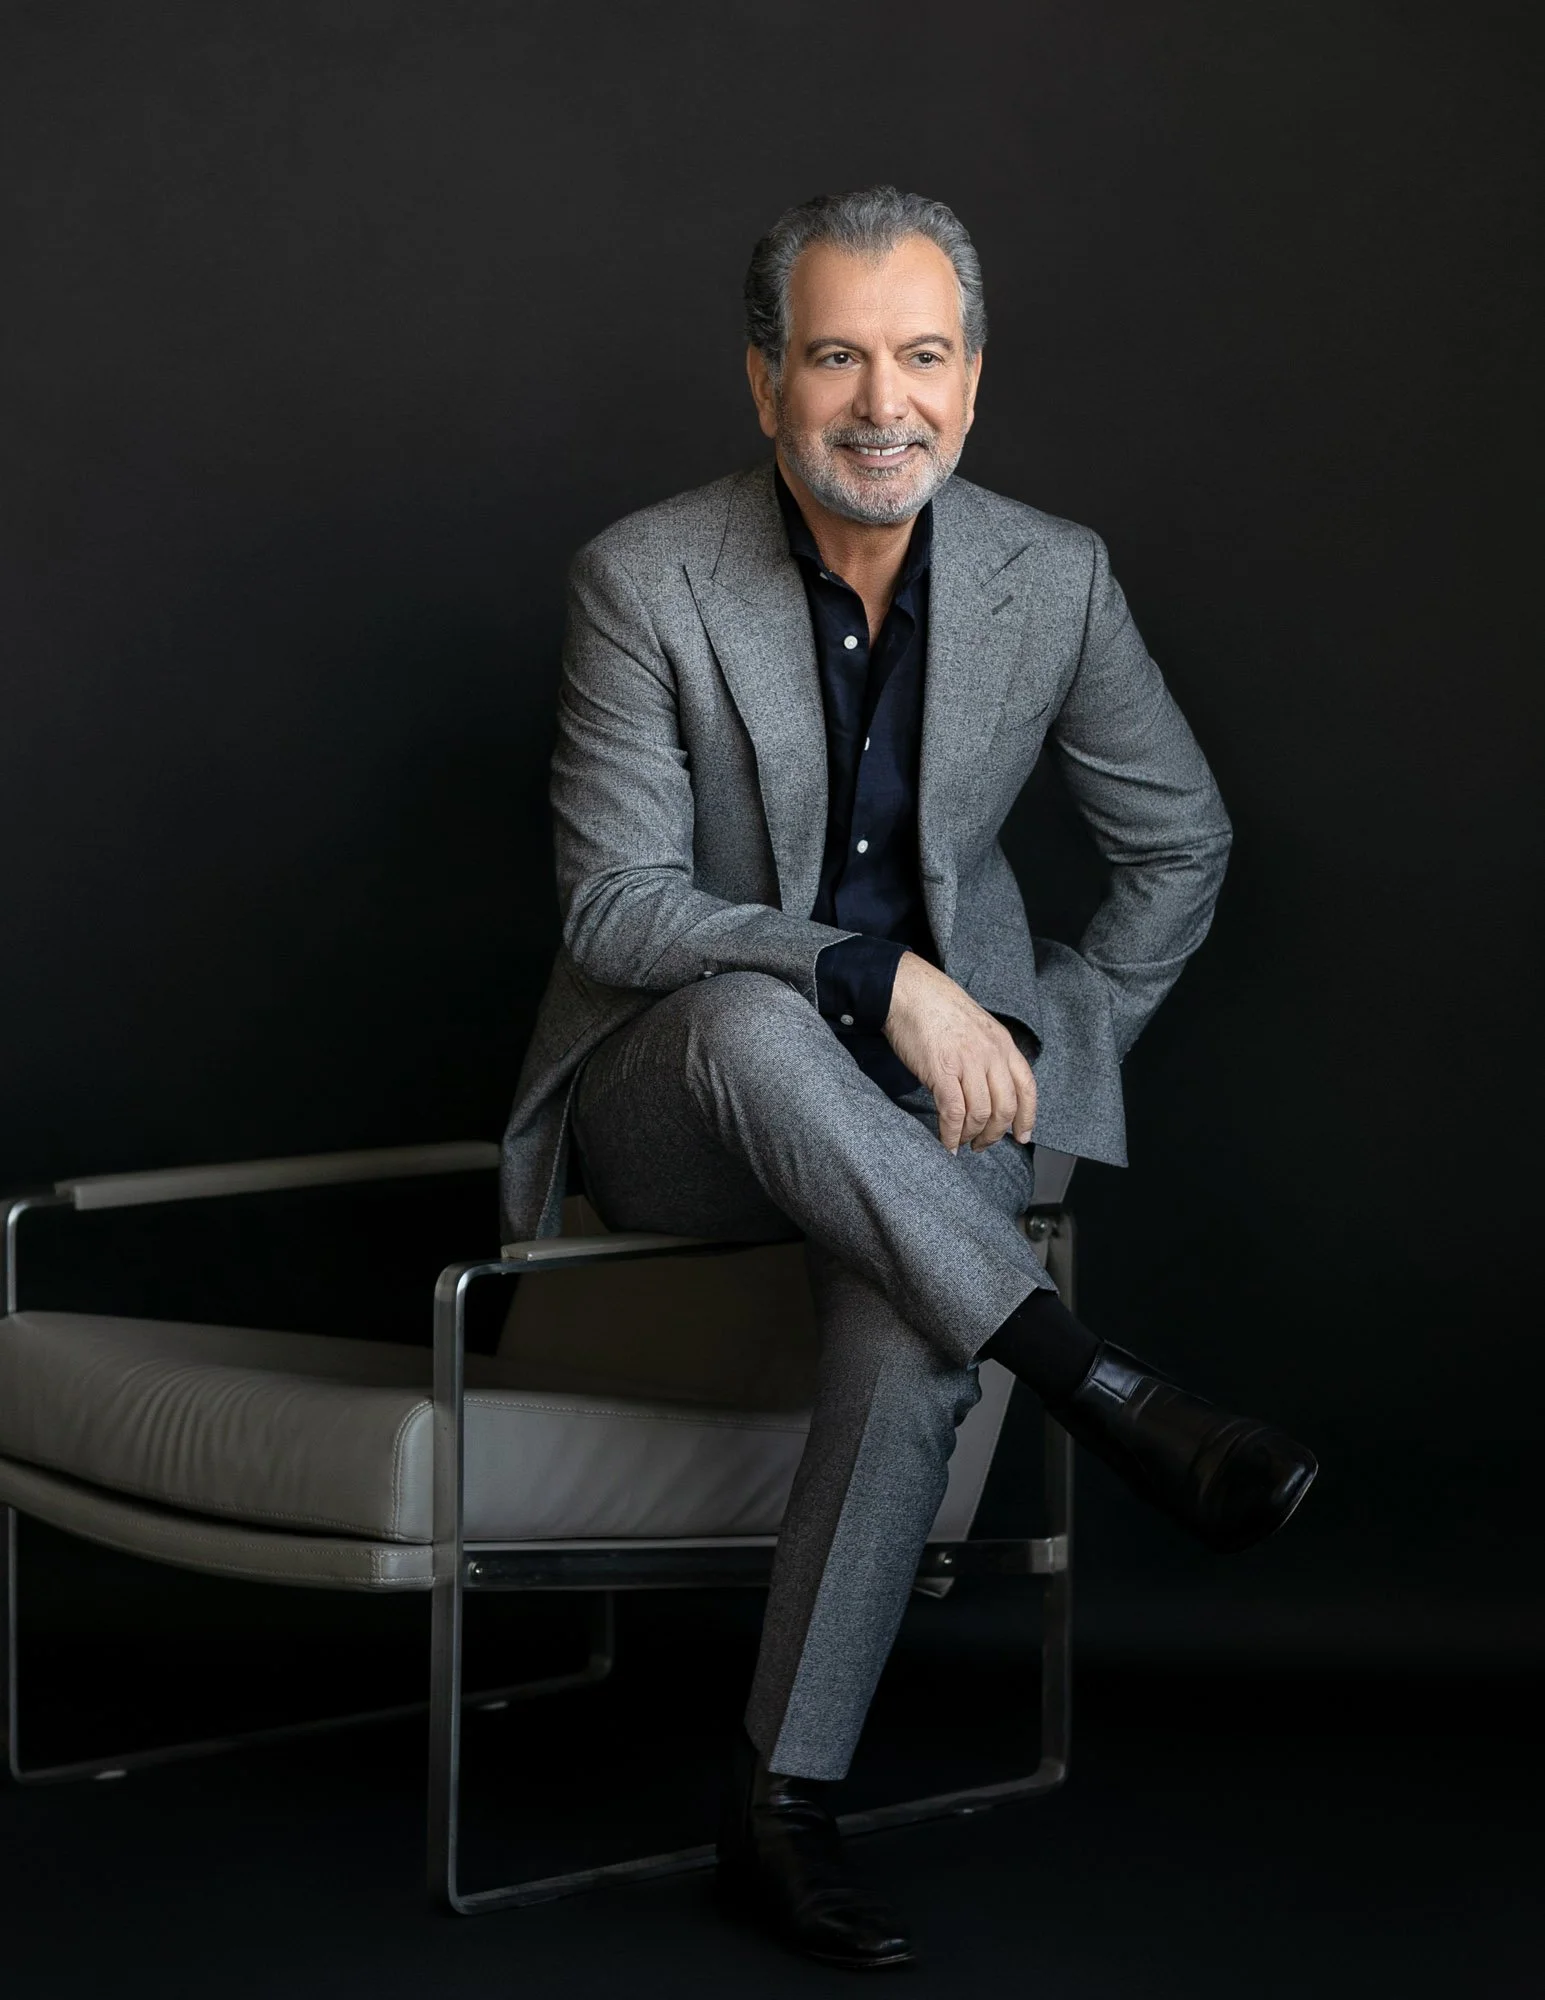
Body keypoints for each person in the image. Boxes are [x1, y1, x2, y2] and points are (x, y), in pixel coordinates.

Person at [500, 185, 1316, 1972]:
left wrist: (1044, 1041)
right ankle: (1093, 1379)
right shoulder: (645, 576)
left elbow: (1180, 844)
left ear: (975, 379)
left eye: (924, 355)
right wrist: (871, 972)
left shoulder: (1053, 575)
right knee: (745, 1020)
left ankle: (778, 1804)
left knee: (910, 1321)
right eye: (840, 356)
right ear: (764, 380)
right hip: (685, 1093)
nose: (887, 402)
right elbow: (622, 906)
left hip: (938, 1121)